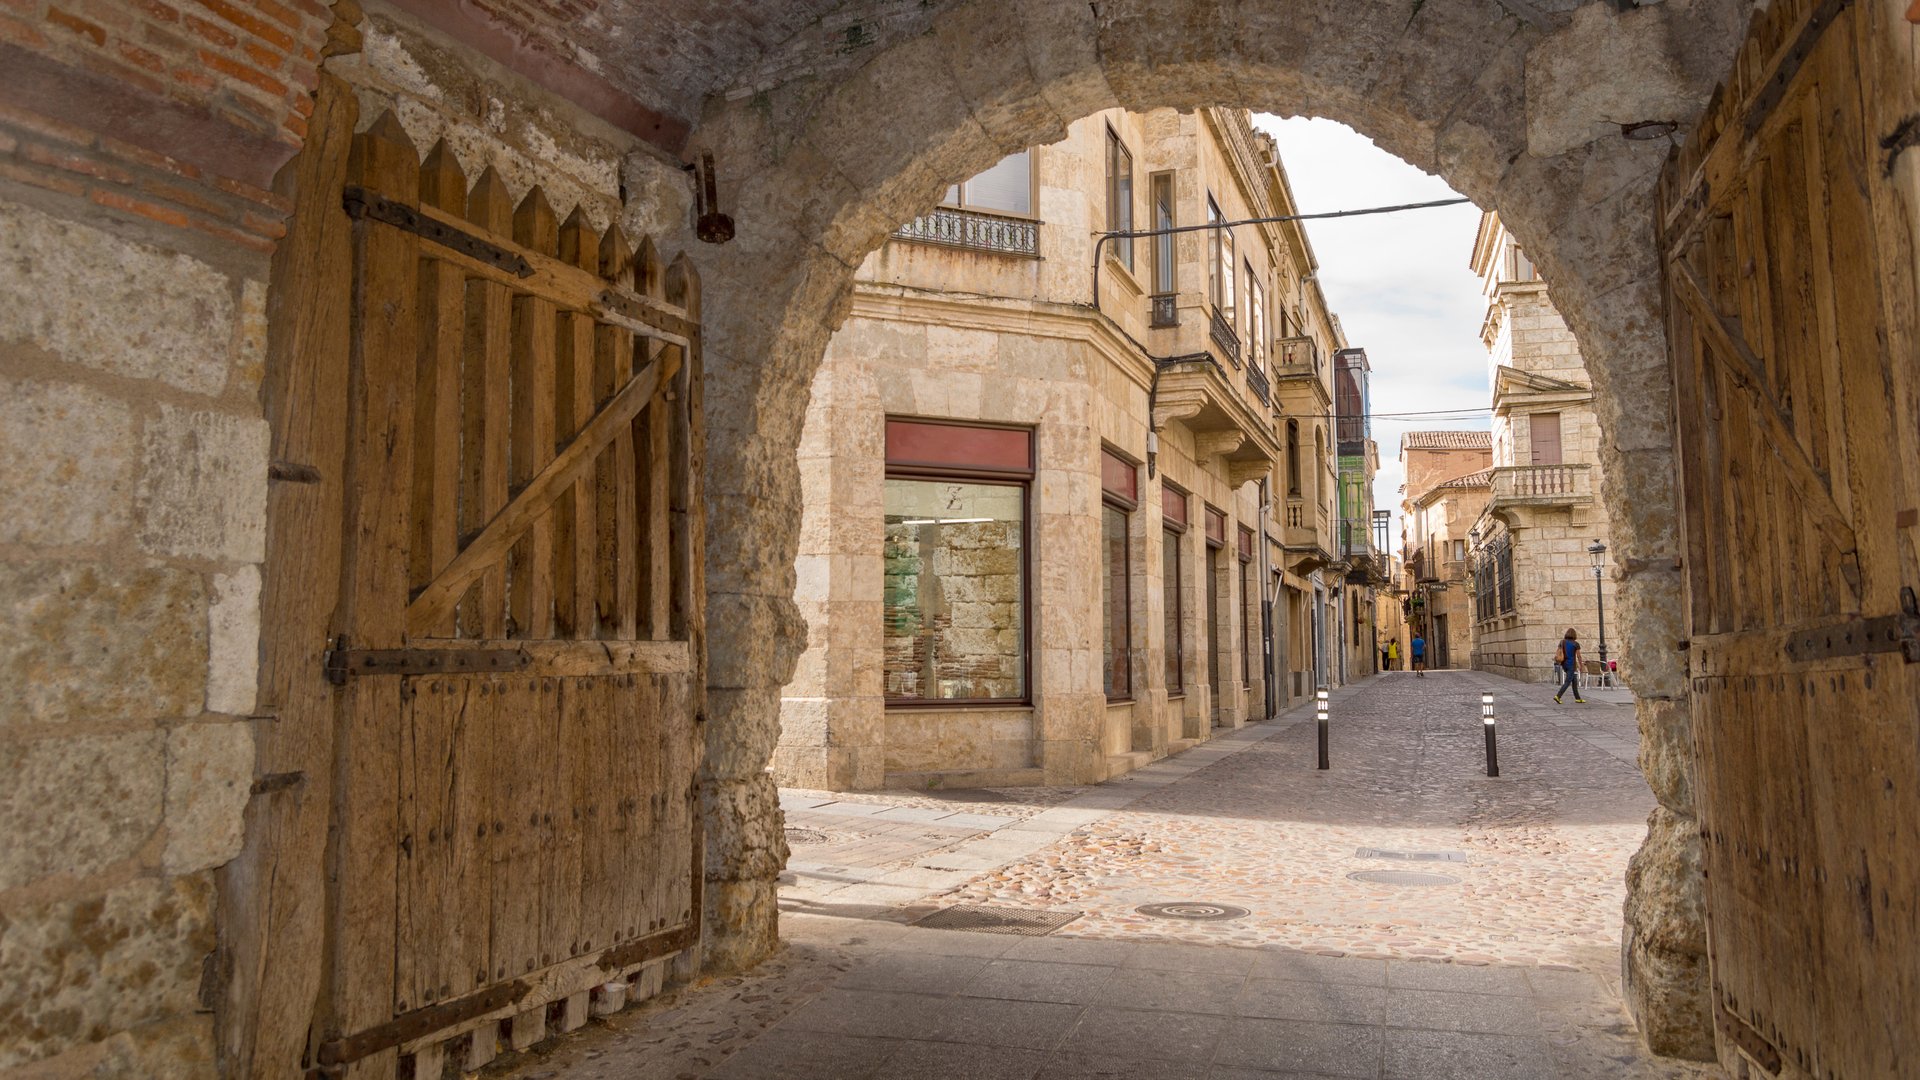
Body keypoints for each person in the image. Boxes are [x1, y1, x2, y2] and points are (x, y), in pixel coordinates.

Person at [1554, 628, 1585, 703]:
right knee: (1568, 681)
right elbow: (1578, 656)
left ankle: (1577, 698)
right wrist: (1581, 666)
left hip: (1564, 663)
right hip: (1571, 664)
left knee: (1574, 680)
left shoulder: (1562, 642)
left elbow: (1558, 652)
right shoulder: (1575, 644)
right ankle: (1558, 696)